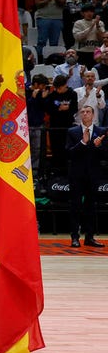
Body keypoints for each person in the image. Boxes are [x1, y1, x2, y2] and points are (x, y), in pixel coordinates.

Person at [68, 105, 107, 247]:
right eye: (82, 112)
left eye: (88, 112)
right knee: (75, 206)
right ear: (79, 115)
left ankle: (89, 237)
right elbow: (69, 154)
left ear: (93, 114)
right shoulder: (72, 132)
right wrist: (83, 143)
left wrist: (99, 147)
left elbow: (105, 155)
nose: (85, 114)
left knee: (91, 207)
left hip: (93, 175)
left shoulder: (101, 131)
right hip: (77, 175)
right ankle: (74, 237)